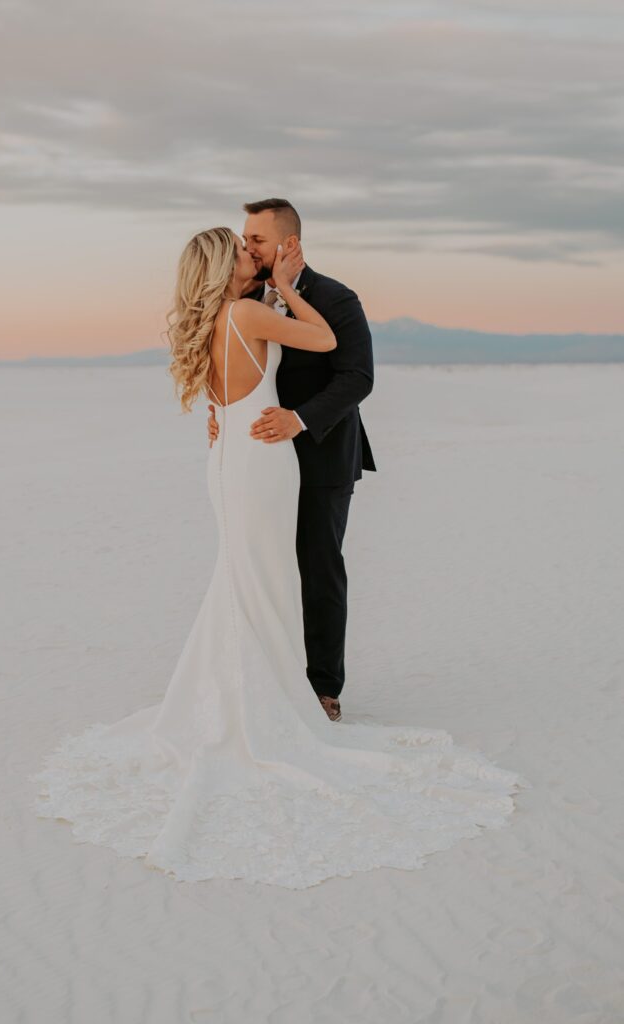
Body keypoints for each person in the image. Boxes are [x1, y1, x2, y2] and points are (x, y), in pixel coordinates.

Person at [31, 224, 528, 889]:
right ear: (223, 268)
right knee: (258, 582)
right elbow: (324, 342)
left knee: (244, 580)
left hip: (230, 454)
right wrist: (291, 291)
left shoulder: (213, 319)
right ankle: (264, 710)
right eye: (241, 250)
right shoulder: (248, 311)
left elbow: (225, 396)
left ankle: (245, 699)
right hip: (263, 461)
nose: (251, 252)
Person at [208, 198, 376, 722]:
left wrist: (299, 419)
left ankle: (323, 687)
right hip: (259, 461)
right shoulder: (246, 296)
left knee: (318, 570)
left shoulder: (335, 298)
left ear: (289, 243)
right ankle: (267, 678)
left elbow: (358, 377)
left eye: (257, 240)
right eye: (245, 240)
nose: (249, 249)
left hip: (322, 457)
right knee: (262, 567)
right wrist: (219, 413)